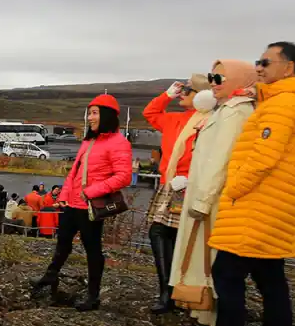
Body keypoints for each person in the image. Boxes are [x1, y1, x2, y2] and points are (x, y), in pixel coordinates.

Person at [184, 42, 295, 326]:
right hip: (277, 204)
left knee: (227, 271)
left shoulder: (283, 105)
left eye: (266, 62)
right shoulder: (291, 102)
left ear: (288, 68)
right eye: (257, 62)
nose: (259, 67)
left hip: (258, 204)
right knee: (269, 276)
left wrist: (235, 187)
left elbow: (262, 156)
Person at [170, 60, 257, 326]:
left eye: (220, 77)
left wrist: (203, 199)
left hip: (214, 200)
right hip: (207, 194)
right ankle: (208, 317)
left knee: (211, 261)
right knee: (206, 260)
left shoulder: (235, 113)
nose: (214, 81)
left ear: (238, 80)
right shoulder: (226, 110)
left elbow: (220, 159)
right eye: (212, 77)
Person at [31, 94, 132, 311]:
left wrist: (91, 192)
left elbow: (124, 176)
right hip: (72, 204)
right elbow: (74, 173)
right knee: (63, 243)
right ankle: (50, 277)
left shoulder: (119, 143)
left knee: (93, 250)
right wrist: (65, 196)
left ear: (106, 115)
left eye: (94, 113)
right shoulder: (89, 140)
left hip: (90, 207)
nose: (90, 118)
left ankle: (92, 296)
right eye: (89, 113)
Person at [142, 74, 213, 313]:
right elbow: (150, 114)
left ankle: (172, 292)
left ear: (202, 96)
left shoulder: (209, 121)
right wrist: (167, 95)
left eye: (188, 90)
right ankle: (168, 290)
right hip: (170, 184)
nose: (183, 94)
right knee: (160, 233)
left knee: (172, 235)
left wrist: (192, 178)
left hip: (190, 185)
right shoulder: (174, 119)